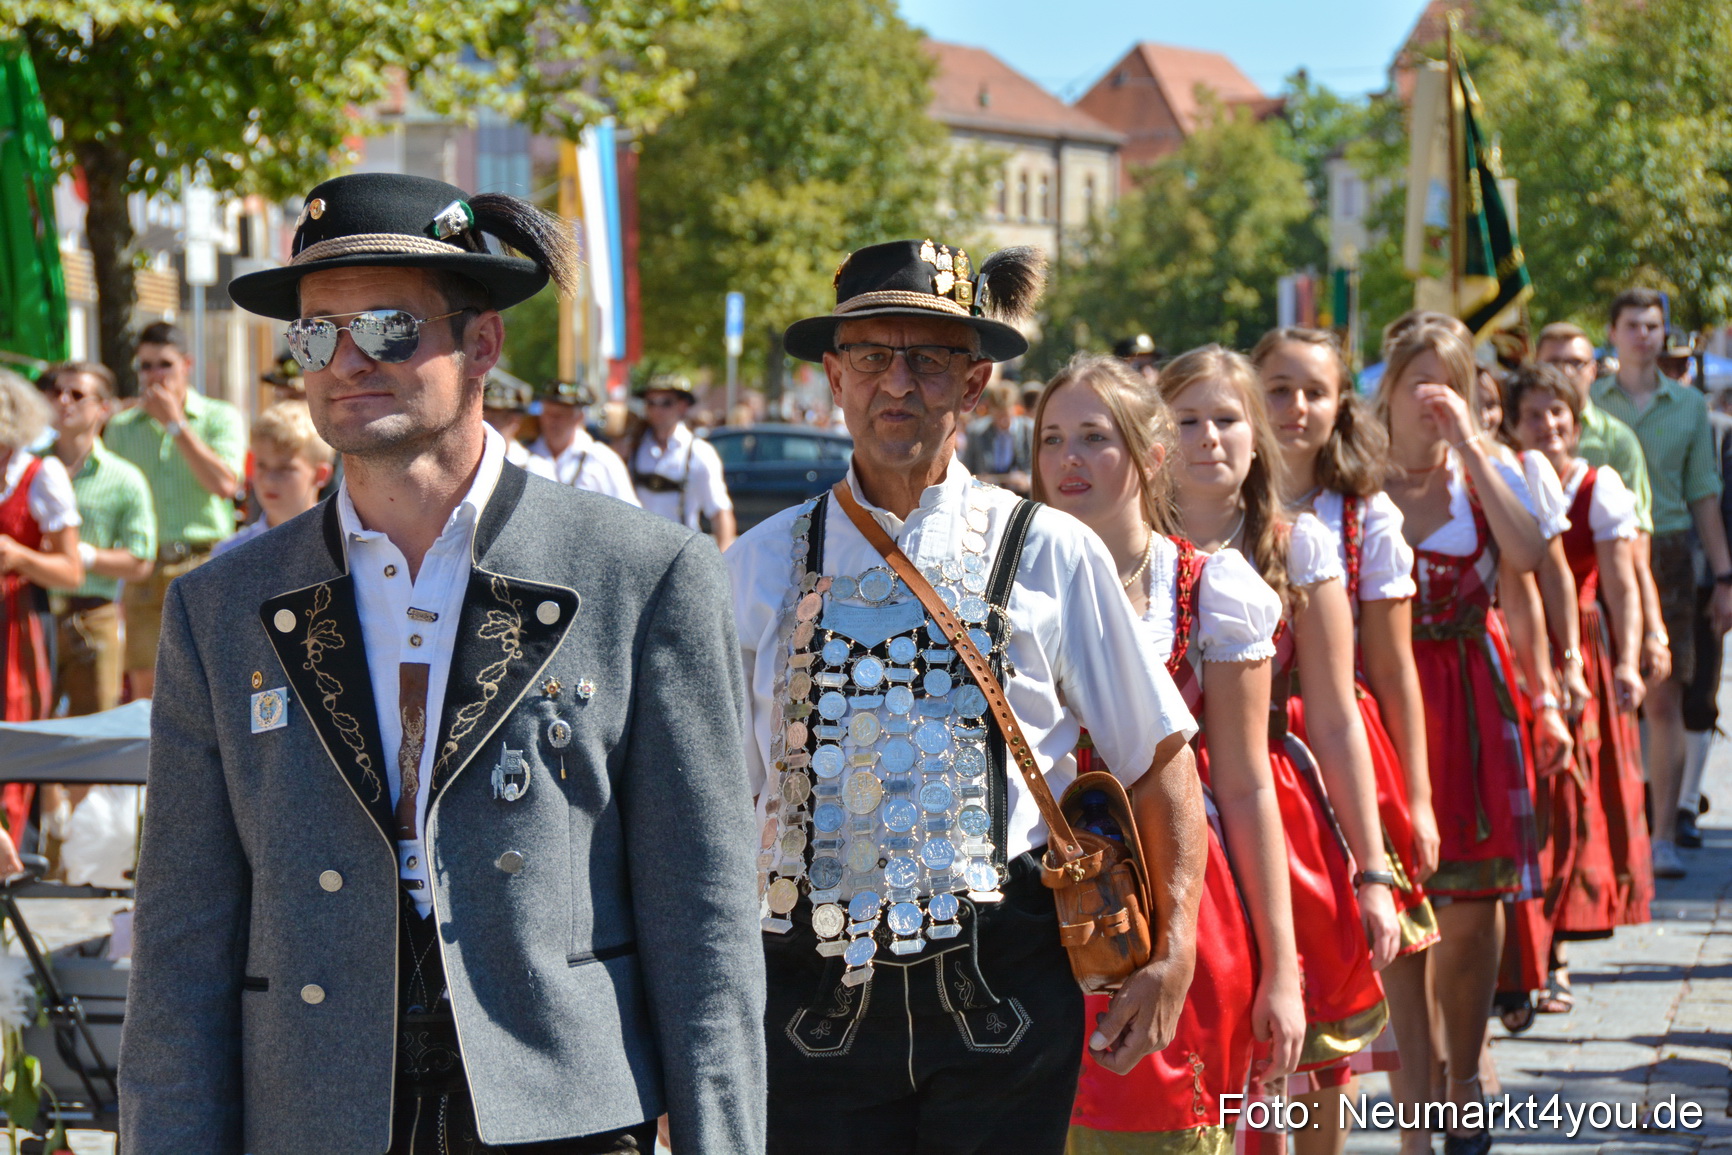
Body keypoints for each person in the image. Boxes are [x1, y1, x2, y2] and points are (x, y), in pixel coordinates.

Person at [120, 172, 766, 1154]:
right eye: (315, 333)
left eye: (386, 329)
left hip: (564, 1110)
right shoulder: (221, 607)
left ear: (482, 345)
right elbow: (180, 937)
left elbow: (704, 911)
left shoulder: (642, 574)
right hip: (313, 1108)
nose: (345, 361)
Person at [728, 239, 1205, 1155]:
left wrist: (1175, 941)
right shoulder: (752, 568)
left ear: (975, 382)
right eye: (871, 356)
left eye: (930, 358)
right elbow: (712, 807)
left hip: (1007, 981)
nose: (897, 383)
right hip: (803, 989)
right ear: (834, 376)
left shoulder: (1055, 551)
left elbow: (1158, 755)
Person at [1037, 354, 1304, 1154]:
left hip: (1173, 902)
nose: (1069, 459)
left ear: (1151, 454)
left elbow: (1251, 786)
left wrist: (1283, 968)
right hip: (1036, 909)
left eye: (1095, 436)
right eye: (1052, 438)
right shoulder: (1007, 583)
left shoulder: (1209, 587)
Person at [1159, 345, 1397, 1155]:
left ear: (1255, 436)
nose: (1207, 438)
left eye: (1226, 419)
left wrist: (1374, 869)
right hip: (1160, 823)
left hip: (1281, 818)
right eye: (1186, 420)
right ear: (1154, 435)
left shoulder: (1297, 546)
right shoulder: (1116, 549)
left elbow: (1335, 720)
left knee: (1306, 1062)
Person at [1253, 327, 1440, 1155]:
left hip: (1337, 750)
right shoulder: (1209, 500)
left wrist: (1421, 801)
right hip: (1245, 750)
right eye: (1279, 389)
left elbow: (1395, 672)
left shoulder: (1363, 518)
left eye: (1313, 392)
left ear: (1339, 406)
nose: (1295, 408)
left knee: (1361, 965)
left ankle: (1418, 1130)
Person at [1377, 321, 1549, 1155]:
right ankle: (1423, 1082)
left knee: (1473, 913)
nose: (1433, 396)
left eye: (1451, 378)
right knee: (1401, 910)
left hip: (1472, 702)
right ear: (1388, 390)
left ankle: (1465, 1073)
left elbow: (1526, 554)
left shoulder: (1487, 475)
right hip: (1384, 705)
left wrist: (1476, 445)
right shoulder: (1361, 483)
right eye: (1418, 378)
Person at [1504, 364, 1652, 1006]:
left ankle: (1555, 946)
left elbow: (1622, 579)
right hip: (1510, 643)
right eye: (1535, 414)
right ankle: (1526, 950)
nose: (1549, 425)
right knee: (1531, 798)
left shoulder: (1600, 484)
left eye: (1558, 413)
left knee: (1569, 798)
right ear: (1512, 423)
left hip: (1583, 647)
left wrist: (1627, 658)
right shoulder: (1504, 478)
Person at [1591, 288, 1732, 879]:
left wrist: (1725, 576)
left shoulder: (1690, 407)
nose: (1644, 335)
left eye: (1652, 325)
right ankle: (1609, 834)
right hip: (1596, 549)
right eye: (1632, 325)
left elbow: (1705, 494)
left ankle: (1664, 833)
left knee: (1666, 694)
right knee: (1604, 693)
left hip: (1671, 552)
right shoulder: (1589, 401)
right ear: (1614, 332)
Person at [106, 320, 246, 698]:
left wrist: (176, 425)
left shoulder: (219, 417)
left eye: (164, 364)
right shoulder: (121, 427)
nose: (154, 375)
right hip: (145, 573)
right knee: (146, 695)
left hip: (204, 563)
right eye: (145, 366)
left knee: (211, 686)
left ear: (187, 364)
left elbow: (225, 485)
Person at [36, 362, 156, 716]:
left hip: (93, 616)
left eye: (76, 394)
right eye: (57, 392)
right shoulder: (27, 469)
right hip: (34, 612)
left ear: (104, 408)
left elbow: (140, 560)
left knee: (94, 736)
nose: (63, 401)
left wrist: (78, 555)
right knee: (25, 732)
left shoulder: (124, 478)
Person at [0, 368, 83, 873]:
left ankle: (16, 863)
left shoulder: (40, 475)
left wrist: (17, 555)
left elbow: (71, 571)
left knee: (15, 735)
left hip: (17, 625)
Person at [212, 401, 334, 557]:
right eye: (261, 465)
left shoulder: (341, 547)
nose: (269, 480)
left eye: (285, 468)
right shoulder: (228, 554)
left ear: (320, 475)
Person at [628, 373, 733, 547]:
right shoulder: (634, 447)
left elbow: (720, 512)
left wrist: (724, 565)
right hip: (638, 552)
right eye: (650, 403)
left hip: (681, 555)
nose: (657, 409)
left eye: (666, 403)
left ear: (683, 406)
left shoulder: (699, 452)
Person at [525, 381, 638, 504]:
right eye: (548, 413)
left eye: (561, 415)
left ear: (579, 417)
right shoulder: (524, 454)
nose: (553, 421)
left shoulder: (602, 459)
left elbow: (629, 512)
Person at [961, 380, 1034, 494]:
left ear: (1015, 409)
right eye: (999, 416)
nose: (1003, 421)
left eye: (1007, 415)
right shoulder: (976, 432)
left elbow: (1040, 472)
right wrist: (978, 480)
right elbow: (965, 471)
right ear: (991, 411)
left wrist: (1026, 480)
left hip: (1022, 497)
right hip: (986, 495)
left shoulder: (1030, 431)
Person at [480, 374, 535, 467]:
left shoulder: (534, 466)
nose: (487, 427)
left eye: (496, 419)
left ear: (515, 421)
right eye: (483, 417)